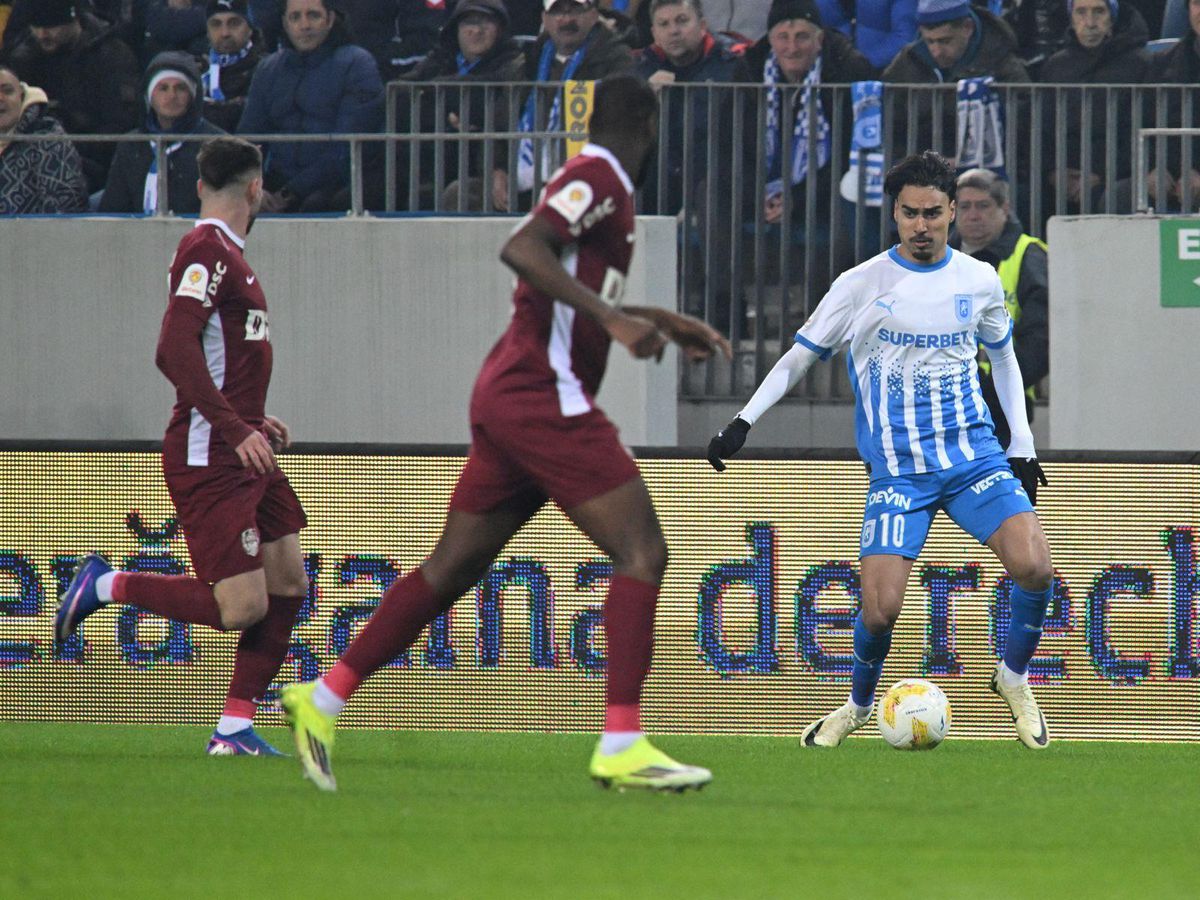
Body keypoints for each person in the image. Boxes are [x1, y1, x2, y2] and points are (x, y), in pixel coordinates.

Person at [279, 76, 732, 793]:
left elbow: (568, 289)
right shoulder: (598, 176)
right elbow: (523, 247)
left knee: (450, 569)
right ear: (648, 122)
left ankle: (324, 694)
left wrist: (653, 317)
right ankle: (622, 740)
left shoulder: (603, 188)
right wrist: (616, 322)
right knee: (642, 550)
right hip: (538, 395)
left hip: (513, 396)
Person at [707, 150, 1054, 751]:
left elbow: (1003, 354)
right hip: (899, 473)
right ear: (894, 214)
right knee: (879, 612)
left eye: (933, 213)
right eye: (909, 213)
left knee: (1035, 567)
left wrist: (1019, 444)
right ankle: (860, 704)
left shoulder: (978, 280)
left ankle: (1013, 678)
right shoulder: (860, 284)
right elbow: (798, 358)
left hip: (973, 457)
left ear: (951, 213)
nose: (922, 225)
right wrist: (742, 421)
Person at [56, 136, 311, 757]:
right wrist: (232, 426)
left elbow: (220, 359)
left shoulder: (229, 256)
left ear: (199, 186)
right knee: (240, 608)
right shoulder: (206, 249)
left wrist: (254, 417)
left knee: (289, 583)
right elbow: (173, 350)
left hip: (243, 443)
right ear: (256, 190)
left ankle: (234, 729)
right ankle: (106, 584)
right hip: (212, 452)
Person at [237, 0, 383, 213]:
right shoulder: (268, 69)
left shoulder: (357, 64)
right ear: (285, 24)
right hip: (276, 183)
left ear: (330, 19)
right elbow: (248, 139)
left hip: (335, 184)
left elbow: (347, 148)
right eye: (295, 17)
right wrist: (254, 187)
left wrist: (290, 192)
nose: (304, 25)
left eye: (313, 15)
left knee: (316, 205)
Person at [495, 0, 635, 210]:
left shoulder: (615, 60)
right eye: (558, 12)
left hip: (589, 183)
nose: (566, 20)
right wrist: (497, 170)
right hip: (525, 183)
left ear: (594, 15)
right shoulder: (528, 64)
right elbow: (500, 124)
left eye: (575, 10)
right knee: (460, 193)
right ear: (544, 18)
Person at [950, 168, 1046, 448]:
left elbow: (1041, 339)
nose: (973, 215)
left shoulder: (1029, 255)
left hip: (1002, 407)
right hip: (941, 404)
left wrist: (993, 389)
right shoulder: (938, 256)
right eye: (964, 207)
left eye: (983, 206)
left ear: (1005, 208)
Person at [2, 0, 140, 193]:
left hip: (96, 167)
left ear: (73, 19)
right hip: (26, 164)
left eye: (51, 27)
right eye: (36, 27)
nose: (42, 34)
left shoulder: (111, 56)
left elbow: (121, 125)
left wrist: (68, 150)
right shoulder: (23, 58)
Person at [399, 0, 524, 210]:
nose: (476, 31)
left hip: (479, 164)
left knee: (455, 195)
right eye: (468, 23)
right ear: (455, 28)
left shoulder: (513, 62)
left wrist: (436, 91)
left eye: (486, 23)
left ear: (500, 29)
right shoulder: (441, 58)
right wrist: (447, 114)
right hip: (431, 162)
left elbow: (497, 103)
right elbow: (400, 93)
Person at [1038, 0, 1150, 217]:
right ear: (1071, 17)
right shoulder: (1055, 66)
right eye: (1081, 12)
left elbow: (1138, 130)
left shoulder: (1141, 64)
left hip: (1114, 174)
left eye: (1099, 12)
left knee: (1108, 197)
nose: (1089, 23)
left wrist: (1102, 174)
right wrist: (1052, 172)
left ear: (1112, 18)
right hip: (1060, 174)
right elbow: (1041, 129)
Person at [100, 51, 225, 213]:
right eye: (163, 88)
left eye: (181, 88)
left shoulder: (219, 146)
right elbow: (112, 210)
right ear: (149, 96)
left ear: (193, 96)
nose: (172, 96)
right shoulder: (131, 145)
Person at [0, 64, 88, 213]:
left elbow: (64, 208)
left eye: (7, 91)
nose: (0, 98)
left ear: (22, 97)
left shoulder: (48, 141)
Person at [198, 0, 267, 133]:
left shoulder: (267, 70)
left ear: (250, 29)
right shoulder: (196, 71)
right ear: (207, 31)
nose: (225, 33)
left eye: (234, 23)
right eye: (216, 24)